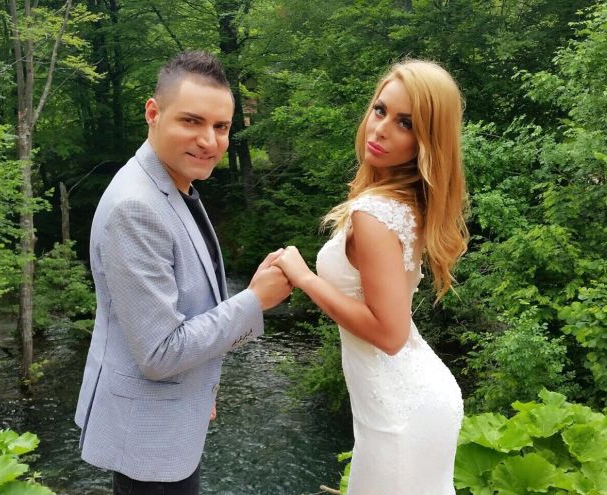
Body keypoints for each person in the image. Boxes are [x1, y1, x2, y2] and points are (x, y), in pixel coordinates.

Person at [74, 51, 292, 494]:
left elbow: (185, 304)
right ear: (153, 113)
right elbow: (159, 353)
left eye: (221, 127)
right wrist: (255, 300)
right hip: (147, 441)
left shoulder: (172, 182)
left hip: (168, 416)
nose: (209, 141)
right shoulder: (136, 207)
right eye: (191, 121)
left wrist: (202, 386)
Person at [273, 60, 469, 494]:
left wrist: (305, 279)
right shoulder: (401, 200)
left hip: (397, 412)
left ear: (427, 140)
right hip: (411, 399)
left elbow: (389, 333)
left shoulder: (376, 213)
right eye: (380, 110)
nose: (380, 129)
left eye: (405, 123)